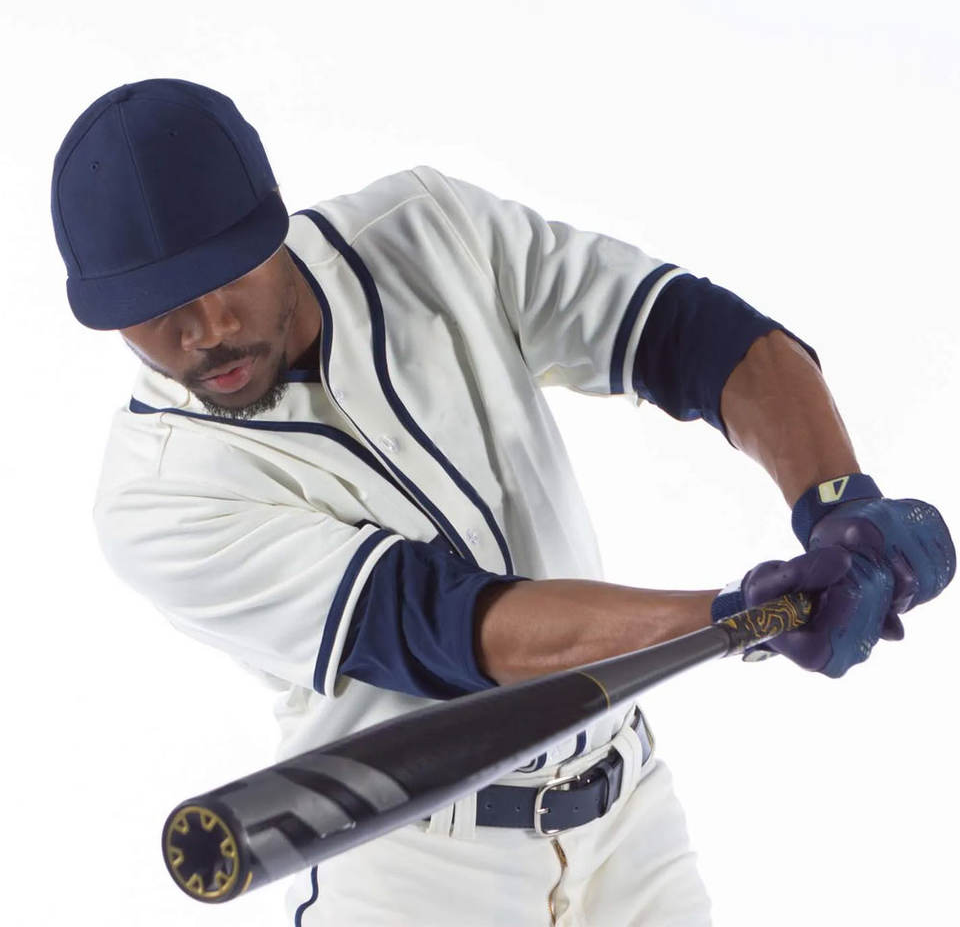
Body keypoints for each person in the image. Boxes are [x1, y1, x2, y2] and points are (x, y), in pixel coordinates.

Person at [51, 78, 954, 927]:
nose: (206, 329)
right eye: (156, 308)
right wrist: (737, 616)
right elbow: (453, 626)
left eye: (227, 275)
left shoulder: (425, 231)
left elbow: (685, 334)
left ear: (272, 224)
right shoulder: (156, 497)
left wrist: (839, 504)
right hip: (414, 863)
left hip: (627, 813)